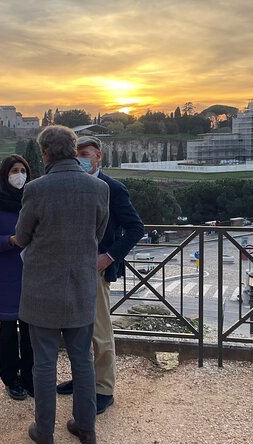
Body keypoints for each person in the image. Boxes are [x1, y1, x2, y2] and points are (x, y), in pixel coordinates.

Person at [16, 125, 109, 444]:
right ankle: (87, 428)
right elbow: (98, 233)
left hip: (42, 289)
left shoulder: (36, 189)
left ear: (44, 153)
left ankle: (44, 432)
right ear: (72, 149)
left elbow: (23, 235)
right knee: (82, 361)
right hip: (82, 285)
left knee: (44, 364)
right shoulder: (99, 189)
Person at [56, 136, 144, 415]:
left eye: (85, 153)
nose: (80, 158)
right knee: (74, 329)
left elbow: (135, 228)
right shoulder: (70, 186)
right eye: (77, 154)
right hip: (69, 267)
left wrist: (108, 257)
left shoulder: (113, 188)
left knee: (100, 332)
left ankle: (103, 388)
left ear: (98, 156)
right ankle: (84, 378)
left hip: (96, 269)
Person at [0, 155, 33, 401]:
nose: (19, 175)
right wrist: (9, 240)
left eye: (23, 170)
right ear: (5, 174)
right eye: (14, 170)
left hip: (33, 274)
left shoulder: (34, 201)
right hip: (7, 273)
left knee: (32, 332)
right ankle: (11, 379)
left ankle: (31, 377)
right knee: (9, 332)